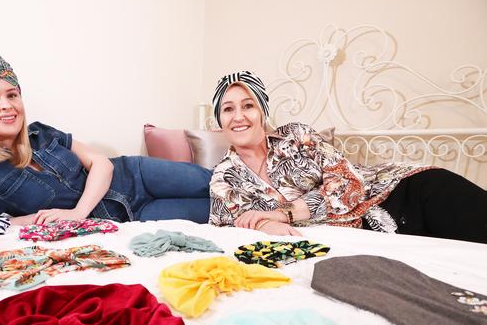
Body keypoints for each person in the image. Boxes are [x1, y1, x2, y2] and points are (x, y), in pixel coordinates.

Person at [208, 70, 487, 244]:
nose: (239, 117)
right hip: (376, 233)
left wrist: (281, 214)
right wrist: (265, 224)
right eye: (228, 109)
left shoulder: (297, 134)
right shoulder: (223, 179)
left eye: (248, 106)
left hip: (402, 191)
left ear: (263, 113)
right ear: (219, 120)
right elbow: (231, 225)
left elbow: (345, 179)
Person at [0, 55, 211, 225]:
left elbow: (102, 164)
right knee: (221, 212)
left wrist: (77, 214)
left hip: (136, 174)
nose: (6, 105)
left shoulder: (40, 133)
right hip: (128, 217)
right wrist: (31, 219)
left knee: (218, 184)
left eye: (12, 95)